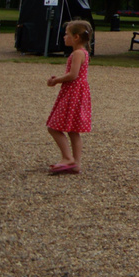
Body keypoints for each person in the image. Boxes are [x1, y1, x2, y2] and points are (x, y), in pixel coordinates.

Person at [45, 18, 93, 175]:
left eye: (66, 34)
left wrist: (56, 80)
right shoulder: (83, 52)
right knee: (73, 130)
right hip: (77, 93)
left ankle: (67, 157)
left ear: (76, 37)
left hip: (73, 93)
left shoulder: (77, 53)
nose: (64, 37)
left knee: (53, 126)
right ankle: (76, 164)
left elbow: (73, 75)